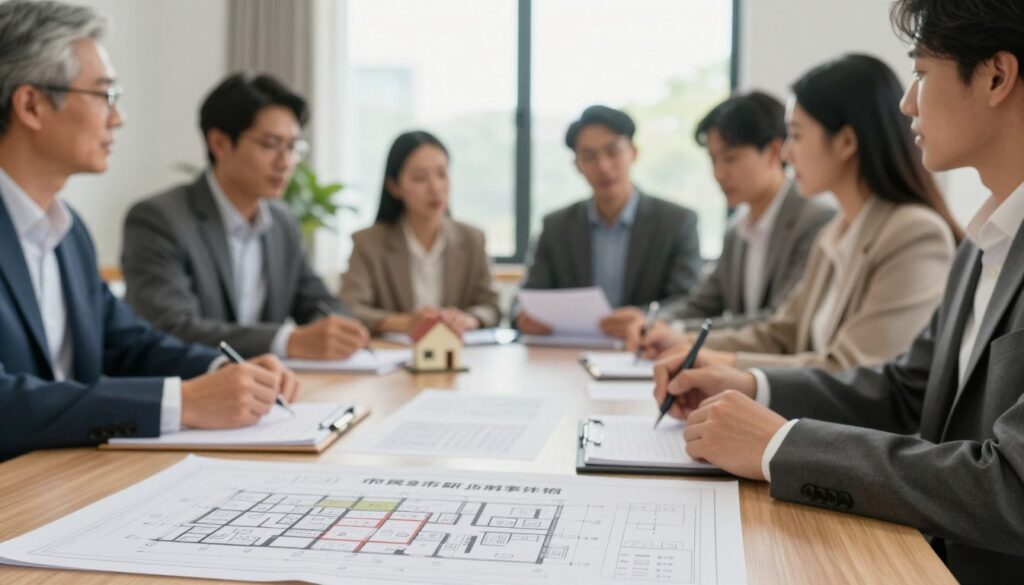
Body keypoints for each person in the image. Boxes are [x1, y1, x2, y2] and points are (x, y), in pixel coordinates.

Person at [653, 1, 1024, 581]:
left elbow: (1013, 486)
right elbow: (907, 392)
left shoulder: (928, 232)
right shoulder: (985, 241)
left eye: (922, 74)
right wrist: (752, 382)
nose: (908, 102)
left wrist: (781, 446)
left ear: (997, 76)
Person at [0, 0, 297, 461]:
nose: (119, 119)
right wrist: (184, 403)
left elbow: (128, 345)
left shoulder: (68, 232)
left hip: (65, 479)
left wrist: (225, 369)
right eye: (106, 96)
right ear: (32, 104)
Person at [640, 55, 960, 372]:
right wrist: (687, 345)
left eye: (796, 135)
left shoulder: (913, 234)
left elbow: (853, 371)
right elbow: (782, 333)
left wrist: (724, 365)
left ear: (846, 141)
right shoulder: (835, 234)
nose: (787, 153)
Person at [122, 73, 369, 359]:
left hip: (272, 390)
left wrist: (335, 330)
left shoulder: (282, 222)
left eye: (292, 147)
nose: (285, 162)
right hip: (193, 390)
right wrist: (287, 341)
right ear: (219, 144)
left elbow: (318, 302)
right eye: (270, 145)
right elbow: (171, 328)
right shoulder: (159, 219)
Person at [644, 91, 834, 334]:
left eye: (731, 158)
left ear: (774, 151)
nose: (719, 173)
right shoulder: (736, 231)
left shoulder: (815, 221)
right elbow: (701, 305)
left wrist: (678, 331)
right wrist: (649, 322)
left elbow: (779, 321)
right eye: (713, 159)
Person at [515, 105, 703, 339]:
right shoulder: (556, 226)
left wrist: (644, 318)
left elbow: (688, 301)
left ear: (633, 152)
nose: (603, 166)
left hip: (645, 349)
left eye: (613, 152)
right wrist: (523, 316)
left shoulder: (677, 222)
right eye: (589, 157)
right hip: (568, 352)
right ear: (577, 165)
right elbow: (526, 297)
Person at [339, 131, 501, 335]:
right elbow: (349, 308)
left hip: (460, 354)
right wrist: (406, 323)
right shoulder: (368, 242)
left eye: (442, 174)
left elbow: (492, 307)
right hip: (394, 357)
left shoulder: (473, 239)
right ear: (394, 186)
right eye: (419, 178)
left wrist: (468, 319)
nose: (435, 187)